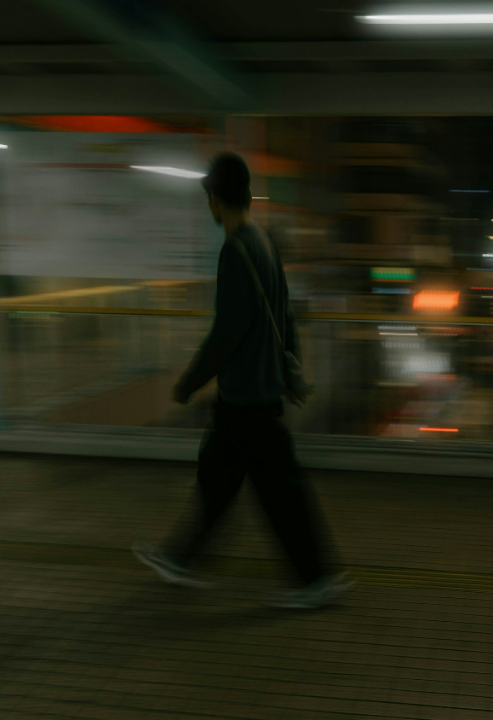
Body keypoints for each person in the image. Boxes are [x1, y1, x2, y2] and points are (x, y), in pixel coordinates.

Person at [133, 152, 351, 610]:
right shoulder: (264, 241)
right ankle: (180, 558)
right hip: (253, 392)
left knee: (278, 492)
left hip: (247, 397)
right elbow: (285, 315)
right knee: (221, 479)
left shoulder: (235, 250)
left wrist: (189, 381)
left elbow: (227, 332)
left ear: (215, 199)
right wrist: (290, 370)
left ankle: (316, 579)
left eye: (209, 198)